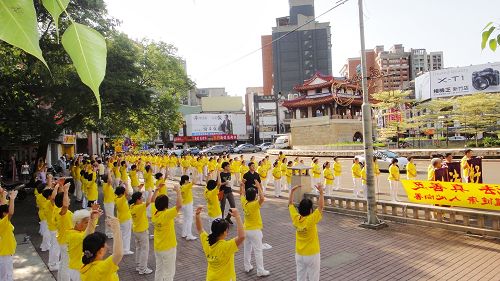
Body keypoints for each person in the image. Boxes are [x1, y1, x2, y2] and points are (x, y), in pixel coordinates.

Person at [195, 206, 245, 281]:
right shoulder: (226, 246)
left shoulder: (207, 241)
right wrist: (237, 216)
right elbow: (242, 236)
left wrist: (197, 215)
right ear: (225, 232)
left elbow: (200, 229)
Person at [289, 184, 323, 281]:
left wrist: (292, 192)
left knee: (300, 277)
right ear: (310, 210)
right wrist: (321, 192)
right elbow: (321, 207)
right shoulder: (311, 219)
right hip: (312, 254)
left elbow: (290, 204)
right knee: (314, 277)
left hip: (299, 254)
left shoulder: (295, 218)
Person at [239, 180, 270, 277]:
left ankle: (247, 266)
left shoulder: (244, 202)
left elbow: (242, 193)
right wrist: (259, 187)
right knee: (258, 251)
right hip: (255, 230)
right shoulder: (254, 204)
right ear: (254, 196)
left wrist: (242, 185)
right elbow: (262, 198)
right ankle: (260, 270)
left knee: (247, 249)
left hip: (246, 229)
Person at [151, 184, 182, 281]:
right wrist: (178, 191)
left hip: (158, 247)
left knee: (159, 270)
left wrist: (156, 190)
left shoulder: (154, 212)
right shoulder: (166, 214)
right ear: (166, 205)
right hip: (168, 248)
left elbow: (152, 201)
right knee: (169, 273)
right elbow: (179, 205)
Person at [80, 217, 123, 281]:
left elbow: (88, 240)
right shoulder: (101, 269)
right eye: (105, 244)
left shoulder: (84, 264)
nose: (107, 246)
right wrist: (116, 229)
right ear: (100, 250)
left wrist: (92, 219)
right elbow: (118, 254)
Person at [67, 206, 101, 281]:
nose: (88, 224)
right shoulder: (73, 235)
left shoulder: (79, 231)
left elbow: (90, 229)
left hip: (80, 267)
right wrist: (92, 219)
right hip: (77, 269)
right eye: (86, 222)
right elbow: (88, 234)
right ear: (77, 223)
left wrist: (94, 217)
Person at [129, 191, 154, 275]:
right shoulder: (139, 207)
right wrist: (150, 192)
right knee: (144, 250)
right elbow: (148, 202)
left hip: (136, 230)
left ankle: (139, 265)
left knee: (139, 248)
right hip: (142, 231)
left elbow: (146, 202)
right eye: (141, 198)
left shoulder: (132, 206)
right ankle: (143, 268)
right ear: (137, 200)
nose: (142, 199)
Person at [54, 182, 73, 281]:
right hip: (66, 242)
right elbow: (65, 205)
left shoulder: (57, 210)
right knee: (66, 265)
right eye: (67, 198)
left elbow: (60, 199)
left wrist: (61, 187)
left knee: (63, 263)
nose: (69, 200)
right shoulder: (61, 211)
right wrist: (65, 191)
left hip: (63, 240)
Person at [0, 190, 18, 281]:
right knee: (7, 276)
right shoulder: (3, 223)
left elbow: (2, 207)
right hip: (4, 254)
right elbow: (10, 213)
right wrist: (12, 199)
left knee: (5, 275)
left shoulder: (2, 221)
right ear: (4, 214)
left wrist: (3, 195)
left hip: (5, 253)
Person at [114, 186, 133, 255]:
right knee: (127, 235)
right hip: (125, 218)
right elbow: (127, 194)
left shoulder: (116, 198)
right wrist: (126, 184)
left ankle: (122, 248)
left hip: (122, 218)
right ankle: (126, 250)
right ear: (122, 192)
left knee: (123, 234)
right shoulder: (121, 199)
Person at [179, 175, 197, 240]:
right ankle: (189, 235)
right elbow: (194, 181)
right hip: (188, 205)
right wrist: (195, 173)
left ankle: (184, 233)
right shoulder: (186, 186)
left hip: (184, 204)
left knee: (185, 219)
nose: (189, 181)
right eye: (188, 180)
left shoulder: (182, 186)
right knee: (189, 220)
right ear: (185, 180)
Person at [102, 174, 115, 238]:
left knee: (108, 218)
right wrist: (109, 172)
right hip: (108, 203)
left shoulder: (107, 185)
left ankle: (108, 232)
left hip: (109, 203)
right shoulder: (106, 185)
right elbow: (110, 181)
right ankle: (110, 233)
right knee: (110, 218)